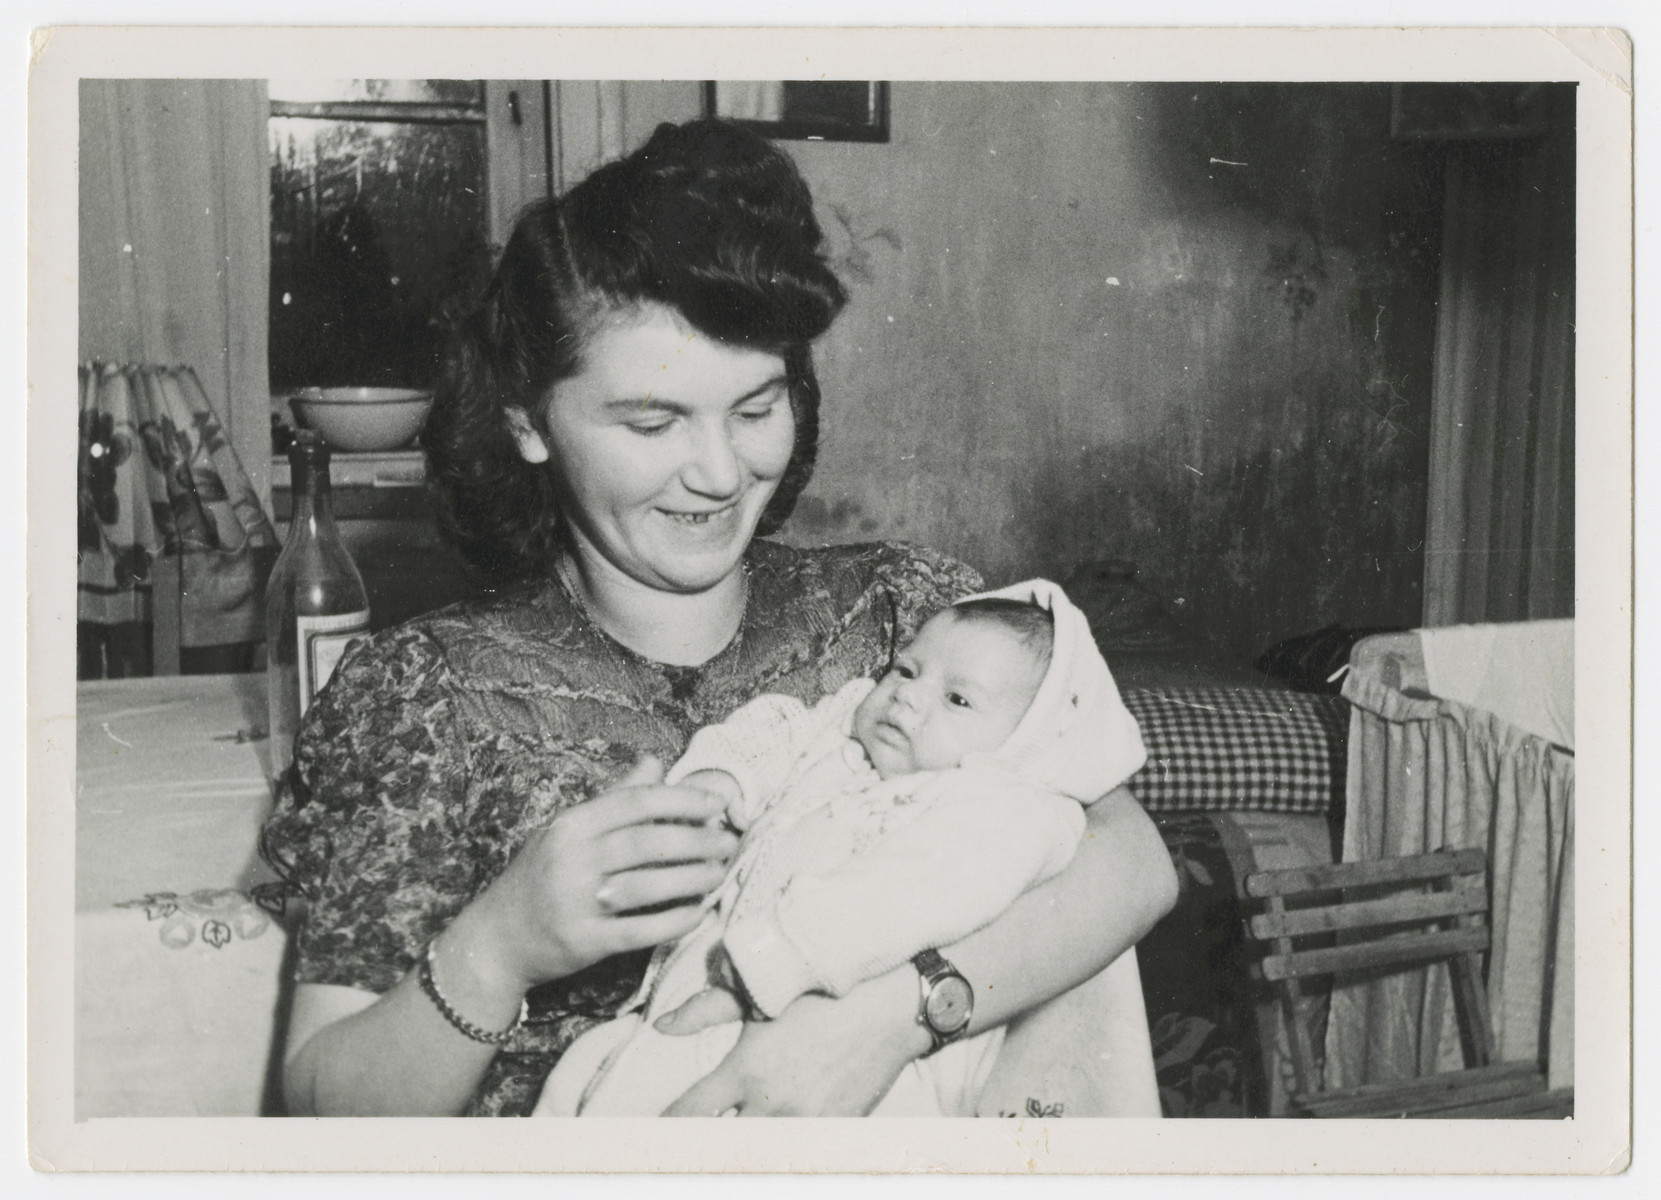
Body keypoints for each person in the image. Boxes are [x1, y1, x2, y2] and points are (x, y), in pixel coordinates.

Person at [260, 117, 1178, 1119]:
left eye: (754, 409)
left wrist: (880, 1023)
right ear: (526, 419)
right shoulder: (417, 697)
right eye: (652, 422)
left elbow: (1129, 862)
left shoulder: (905, 614)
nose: (718, 472)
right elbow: (323, 1108)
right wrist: (500, 944)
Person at [536, 581, 1147, 1117]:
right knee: (599, 1084)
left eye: (957, 699)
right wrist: (719, 783)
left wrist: (775, 960)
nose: (909, 695)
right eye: (907, 670)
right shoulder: (851, 730)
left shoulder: (1004, 810)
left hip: (835, 1025)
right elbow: (775, 728)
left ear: (1026, 746)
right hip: (694, 993)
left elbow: (902, 897)